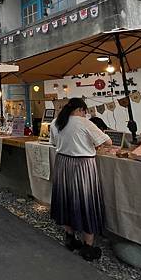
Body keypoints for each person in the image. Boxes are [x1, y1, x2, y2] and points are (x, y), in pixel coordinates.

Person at [49, 97, 112, 261]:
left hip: (62, 164)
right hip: (82, 166)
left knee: (67, 199)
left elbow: (54, 144)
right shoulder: (85, 122)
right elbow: (108, 142)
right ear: (81, 110)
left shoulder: (56, 122)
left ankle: (70, 238)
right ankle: (88, 247)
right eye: (85, 111)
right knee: (86, 202)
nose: (85, 114)